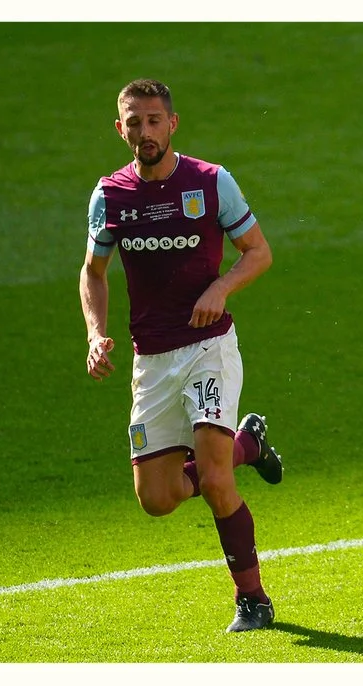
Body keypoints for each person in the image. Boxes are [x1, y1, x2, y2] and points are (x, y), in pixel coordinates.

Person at [80, 78, 283, 633]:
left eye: (154, 121)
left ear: (172, 124)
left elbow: (258, 252)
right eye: (134, 123)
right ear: (120, 129)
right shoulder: (110, 196)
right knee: (157, 498)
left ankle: (253, 600)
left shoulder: (211, 183)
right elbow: (93, 272)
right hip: (152, 361)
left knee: (215, 480)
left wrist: (221, 288)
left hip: (208, 348)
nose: (144, 131)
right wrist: (96, 334)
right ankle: (249, 444)